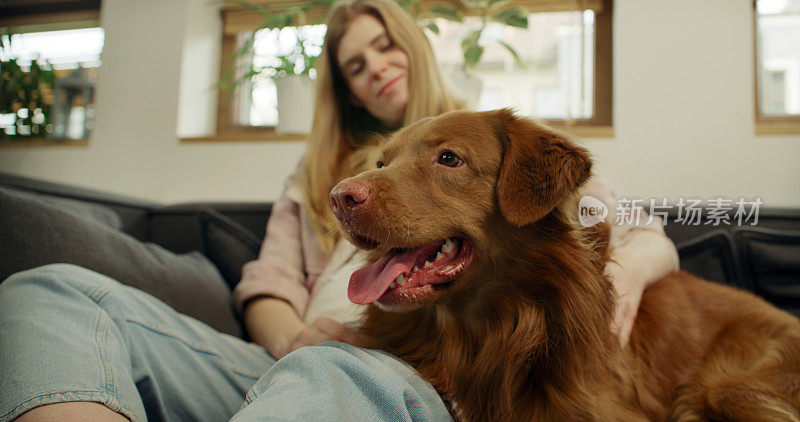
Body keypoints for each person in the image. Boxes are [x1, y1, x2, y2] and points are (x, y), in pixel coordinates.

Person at [0, 0, 678, 421]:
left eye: (384, 44)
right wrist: (291, 337)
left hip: (391, 368)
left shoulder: (494, 138)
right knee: (53, 292)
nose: (375, 67)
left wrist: (625, 278)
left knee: (336, 370)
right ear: (344, 88)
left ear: (411, 43)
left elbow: (639, 234)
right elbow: (268, 283)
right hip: (287, 358)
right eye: (354, 65)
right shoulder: (318, 176)